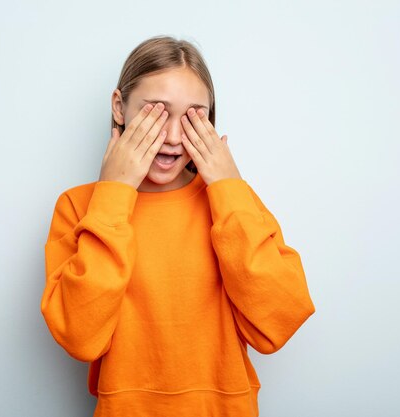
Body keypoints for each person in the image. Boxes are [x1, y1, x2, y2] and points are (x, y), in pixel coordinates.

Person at [41, 35, 316, 417]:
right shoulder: (81, 207)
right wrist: (114, 194)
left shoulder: (233, 202)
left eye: (192, 117)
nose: (172, 137)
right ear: (120, 107)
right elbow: (80, 336)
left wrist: (228, 188)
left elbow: (278, 322)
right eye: (156, 112)